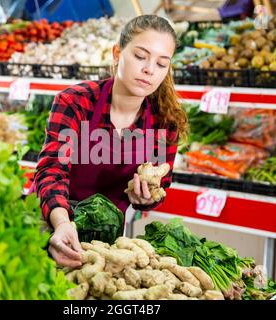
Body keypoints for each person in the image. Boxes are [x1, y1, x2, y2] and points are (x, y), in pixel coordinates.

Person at [32, 15, 188, 268]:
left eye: (161, 63)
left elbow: (162, 186)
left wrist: (146, 198)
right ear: (117, 53)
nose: (149, 69)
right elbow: (51, 171)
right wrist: (61, 223)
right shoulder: (76, 101)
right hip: (49, 226)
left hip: (107, 244)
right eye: (140, 56)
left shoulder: (165, 122)